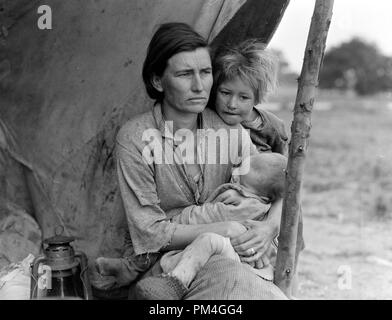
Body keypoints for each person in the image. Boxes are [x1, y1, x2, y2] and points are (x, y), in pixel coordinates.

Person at [94, 22, 287, 300]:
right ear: (158, 81)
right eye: (185, 74)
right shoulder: (136, 138)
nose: (199, 86)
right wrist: (222, 228)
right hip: (167, 264)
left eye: (205, 73)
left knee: (241, 275)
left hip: (228, 252)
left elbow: (271, 186)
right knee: (229, 278)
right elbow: (150, 233)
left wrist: (269, 227)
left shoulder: (232, 131)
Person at [134, 152, 288, 300]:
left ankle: (176, 281)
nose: (234, 172)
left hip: (238, 257)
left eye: (240, 175)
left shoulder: (241, 205)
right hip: (259, 265)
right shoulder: (264, 203)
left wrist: (177, 220)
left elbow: (205, 217)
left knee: (208, 241)